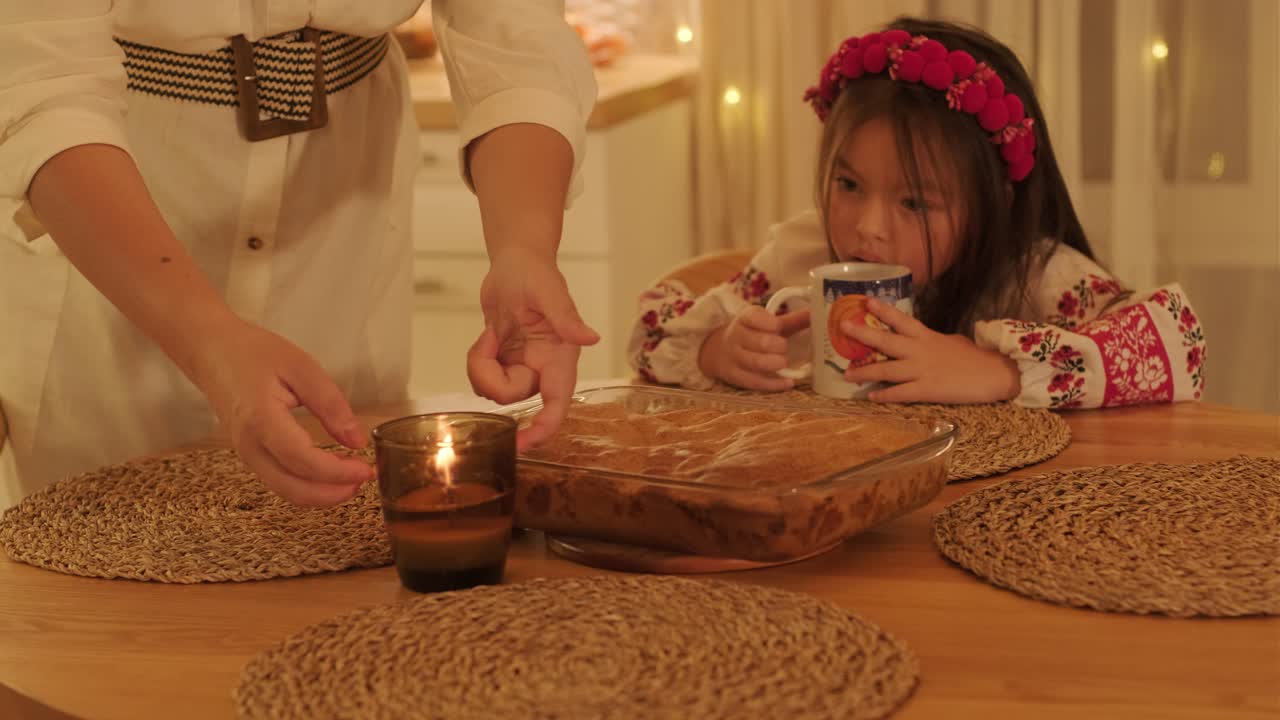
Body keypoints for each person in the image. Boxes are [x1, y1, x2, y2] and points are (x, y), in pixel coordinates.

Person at [0, 1, 599, 510]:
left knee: (337, 546)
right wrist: (209, 339)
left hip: (343, 202)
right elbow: (44, 90)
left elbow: (512, 34)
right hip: (113, 198)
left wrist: (524, 250)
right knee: (96, 548)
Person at [629, 17, 1206, 410]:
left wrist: (996, 371)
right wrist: (716, 350)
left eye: (915, 202)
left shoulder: (1034, 277)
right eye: (849, 184)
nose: (868, 228)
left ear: (992, 204)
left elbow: (1179, 345)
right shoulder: (799, 258)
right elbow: (650, 332)